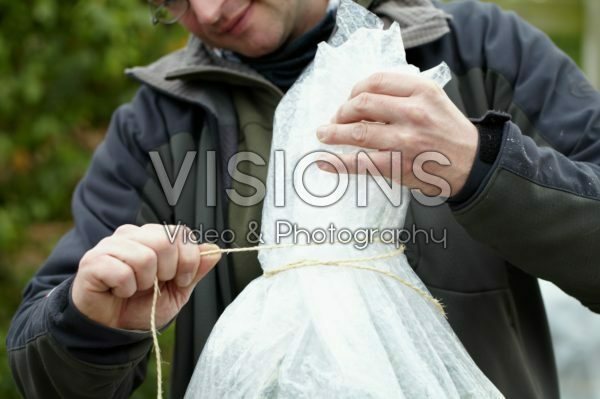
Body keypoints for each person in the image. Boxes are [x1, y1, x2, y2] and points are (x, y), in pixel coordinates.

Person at [6, 0, 600, 398]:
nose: (210, 11)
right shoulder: (156, 124)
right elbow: (42, 368)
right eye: (175, 0)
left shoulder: (481, 50)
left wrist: (482, 167)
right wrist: (91, 322)